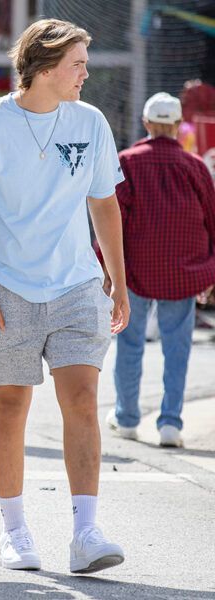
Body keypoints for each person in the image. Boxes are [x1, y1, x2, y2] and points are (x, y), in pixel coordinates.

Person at [0, 19, 130, 574]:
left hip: (76, 286)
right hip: (7, 288)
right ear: (45, 68)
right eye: (77, 63)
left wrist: (117, 277)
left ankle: (85, 533)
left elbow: (104, 204)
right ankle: (15, 531)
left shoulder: (90, 121)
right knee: (9, 407)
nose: (86, 73)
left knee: (81, 402)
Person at [105, 92, 215, 448]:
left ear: (147, 123)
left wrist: (108, 270)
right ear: (177, 126)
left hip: (134, 268)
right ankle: (170, 424)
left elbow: (112, 220)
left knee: (130, 342)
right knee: (177, 348)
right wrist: (208, 272)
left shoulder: (127, 162)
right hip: (183, 271)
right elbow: (212, 221)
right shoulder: (196, 166)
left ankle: (127, 418)